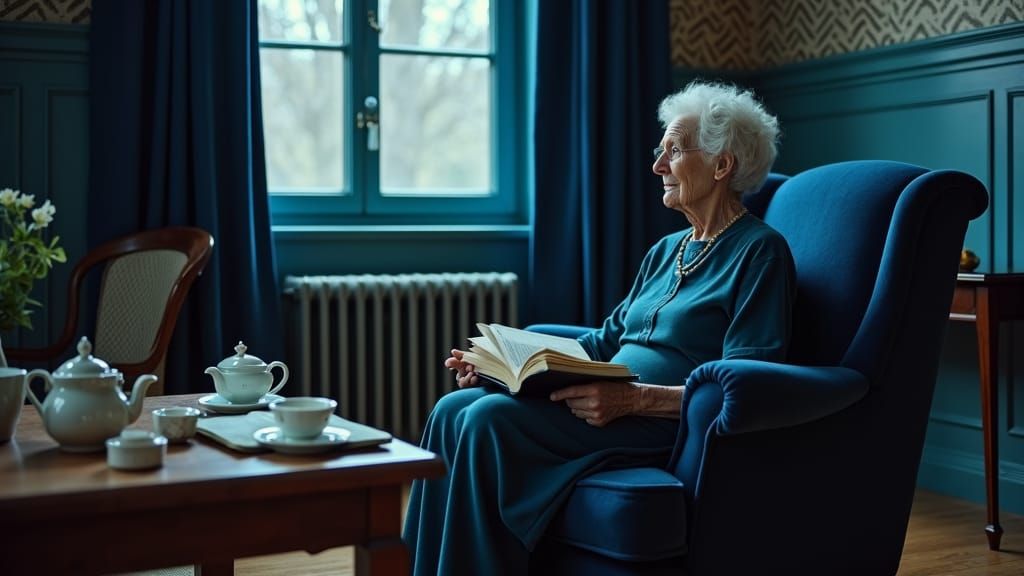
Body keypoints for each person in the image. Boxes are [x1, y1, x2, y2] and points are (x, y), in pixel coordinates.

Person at [403, 80, 796, 575]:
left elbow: (748, 381)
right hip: (600, 403)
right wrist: (503, 365)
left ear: (722, 165)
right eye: (661, 150)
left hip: (657, 421)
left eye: (674, 151)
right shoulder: (665, 251)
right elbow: (603, 342)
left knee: (485, 423)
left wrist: (633, 399)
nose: (658, 166)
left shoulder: (760, 252)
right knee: (453, 408)